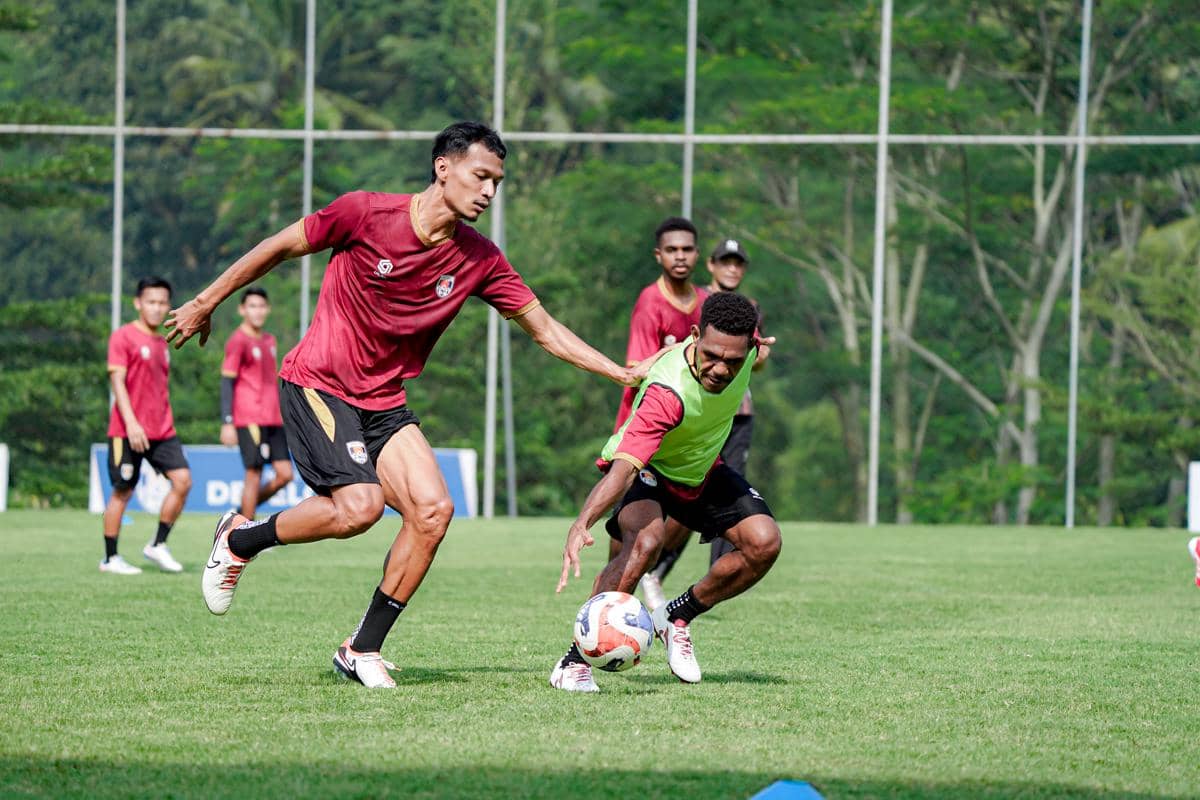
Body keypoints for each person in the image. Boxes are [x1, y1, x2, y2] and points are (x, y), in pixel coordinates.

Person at [166, 121, 654, 690]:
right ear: (443, 167)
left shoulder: (480, 259)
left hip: (384, 402)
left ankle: (361, 648)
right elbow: (278, 247)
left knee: (432, 512)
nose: (489, 192)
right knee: (359, 509)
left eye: (498, 182)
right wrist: (204, 302)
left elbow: (544, 330)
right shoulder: (365, 213)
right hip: (319, 382)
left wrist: (619, 371)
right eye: (481, 176)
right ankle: (240, 539)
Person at [551, 292, 781, 692]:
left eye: (734, 360)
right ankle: (573, 662)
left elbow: (753, 351)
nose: (721, 368)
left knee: (764, 543)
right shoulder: (666, 394)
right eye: (711, 355)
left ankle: (675, 616)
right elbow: (624, 471)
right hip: (648, 470)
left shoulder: (747, 349)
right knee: (645, 542)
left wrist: (758, 357)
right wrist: (581, 522)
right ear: (694, 336)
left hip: (701, 470)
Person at [613, 217, 707, 610]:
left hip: (688, 435)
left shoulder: (705, 302)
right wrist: (687, 350)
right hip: (644, 430)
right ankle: (610, 609)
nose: (680, 256)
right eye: (672, 250)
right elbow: (637, 366)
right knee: (628, 536)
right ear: (659, 255)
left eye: (687, 249)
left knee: (689, 513)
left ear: (697, 254)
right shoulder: (651, 302)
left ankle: (652, 573)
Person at [101, 276, 193, 575]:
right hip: (128, 430)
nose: (157, 308)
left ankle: (157, 545)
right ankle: (110, 558)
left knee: (183, 481)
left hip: (162, 431)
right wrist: (132, 424)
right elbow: (117, 381)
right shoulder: (123, 337)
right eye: (151, 302)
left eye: (162, 302)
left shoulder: (162, 340)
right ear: (138, 303)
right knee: (123, 491)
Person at [703, 238, 769, 564]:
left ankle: (719, 572)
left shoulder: (751, 306)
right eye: (725, 261)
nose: (732, 268)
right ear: (711, 264)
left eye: (738, 263)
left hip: (738, 412)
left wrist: (757, 354)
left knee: (728, 492)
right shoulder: (696, 300)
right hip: (699, 410)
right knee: (687, 486)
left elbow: (761, 358)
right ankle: (655, 570)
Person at [220, 287, 294, 520]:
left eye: (262, 306)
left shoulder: (269, 340)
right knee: (254, 472)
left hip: (273, 418)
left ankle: (241, 515)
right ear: (242, 310)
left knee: (285, 474)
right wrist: (227, 422)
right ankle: (244, 531)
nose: (258, 311)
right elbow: (227, 381)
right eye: (252, 306)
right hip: (249, 416)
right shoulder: (238, 341)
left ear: (268, 309)